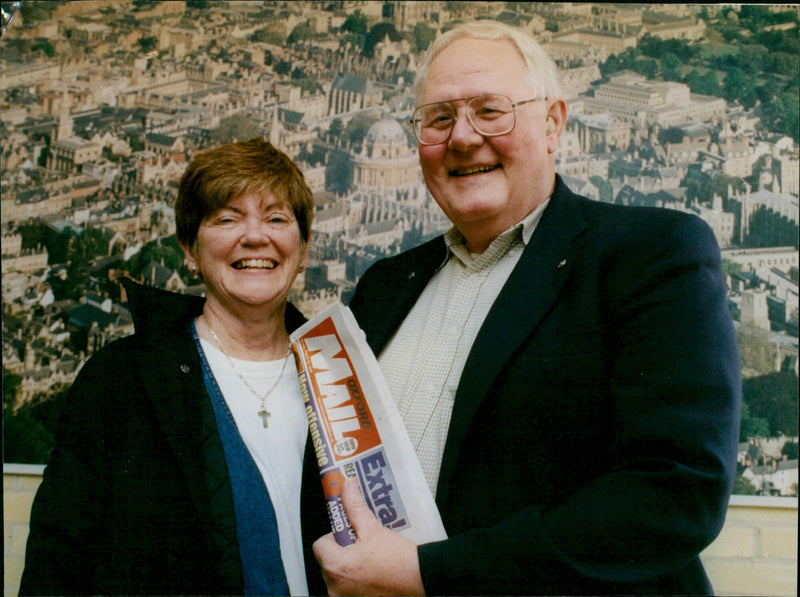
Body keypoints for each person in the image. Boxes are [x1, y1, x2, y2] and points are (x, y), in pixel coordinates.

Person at [307, 21, 742, 596]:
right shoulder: (386, 286)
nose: (462, 137)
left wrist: (427, 575)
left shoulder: (649, 254)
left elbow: (675, 493)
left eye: (491, 110)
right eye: (439, 118)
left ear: (553, 124)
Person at [20, 138, 315, 596]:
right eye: (227, 218)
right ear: (190, 251)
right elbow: (57, 562)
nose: (256, 236)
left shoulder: (343, 374)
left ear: (303, 248)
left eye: (277, 218)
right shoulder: (118, 380)